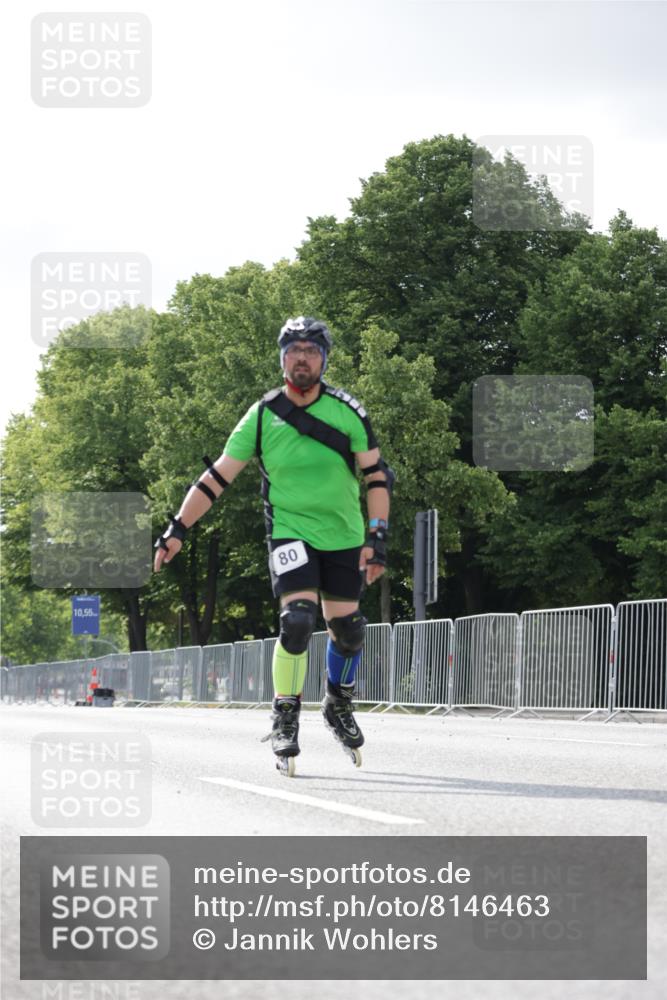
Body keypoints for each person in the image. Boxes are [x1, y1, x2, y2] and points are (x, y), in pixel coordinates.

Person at [153, 316, 393, 776]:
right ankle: (285, 716)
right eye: (294, 349)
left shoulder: (348, 411)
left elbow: (377, 476)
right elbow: (219, 475)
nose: (302, 357)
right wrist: (178, 529)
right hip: (291, 532)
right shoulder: (262, 415)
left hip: (344, 537)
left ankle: (338, 704)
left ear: (324, 358)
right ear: (283, 358)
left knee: (350, 631)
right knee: (297, 621)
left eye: (311, 349)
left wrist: (376, 537)